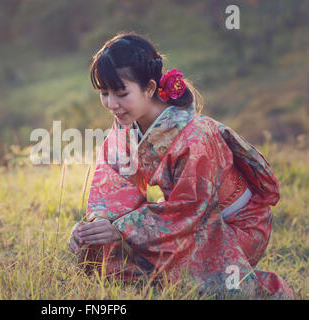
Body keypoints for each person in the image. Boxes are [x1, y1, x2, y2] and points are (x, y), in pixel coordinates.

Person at [68, 32, 294, 299]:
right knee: (99, 248)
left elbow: (189, 210)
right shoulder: (126, 126)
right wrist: (95, 224)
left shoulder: (194, 135)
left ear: (150, 88)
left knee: (197, 284)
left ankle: (265, 290)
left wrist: (122, 228)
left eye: (121, 93)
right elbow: (114, 181)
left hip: (231, 225)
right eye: (104, 93)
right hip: (185, 220)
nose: (111, 104)